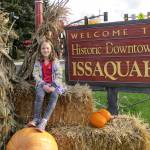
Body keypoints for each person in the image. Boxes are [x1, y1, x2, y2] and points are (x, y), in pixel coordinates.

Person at [27, 40, 64, 132]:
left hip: (55, 84)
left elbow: (59, 74)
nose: (45, 50)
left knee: (55, 95)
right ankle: (36, 118)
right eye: (43, 48)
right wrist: (43, 85)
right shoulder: (38, 61)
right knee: (39, 95)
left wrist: (53, 86)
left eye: (47, 48)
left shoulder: (55, 61)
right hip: (42, 83)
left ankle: (44, 121)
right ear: (40, 50)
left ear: (51, 49)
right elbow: (35, 74)